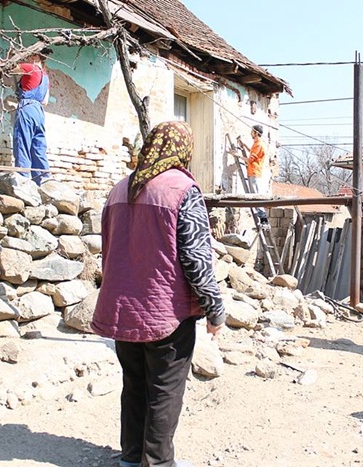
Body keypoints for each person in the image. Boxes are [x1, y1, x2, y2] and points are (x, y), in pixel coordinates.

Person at [91, 121, 225, 467]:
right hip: (166, 312)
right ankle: (158, 463)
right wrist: (214, 309)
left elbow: (108, 249)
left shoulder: (119, 189)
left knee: (134, 385)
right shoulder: (182, 189)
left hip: (122, 308)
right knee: (164, 392)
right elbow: (196, 259)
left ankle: (130, 458)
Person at [11, 47, 52, 185]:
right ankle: (44, 180)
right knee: (38, 147)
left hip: (27, 107)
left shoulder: (30, 68)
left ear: (36, 57)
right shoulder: (46, 77)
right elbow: (45, 101)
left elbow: (9, 69)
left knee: (22, 143)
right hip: (39, 111)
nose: (28, 57)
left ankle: (22, 179)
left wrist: (13, 58)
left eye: (30, 55)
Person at [236, 124, 270, 227]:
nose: (250, 133)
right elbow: (252, 153)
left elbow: (250, 160)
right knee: (254, 196)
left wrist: (238, 155)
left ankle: (264, 221)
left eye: (252, 131)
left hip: (254, 172)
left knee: (255, 197)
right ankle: (262, 220)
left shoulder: (258, 145)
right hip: (253, 172)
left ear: (256, 133)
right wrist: (244, 145)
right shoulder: (256, 144)